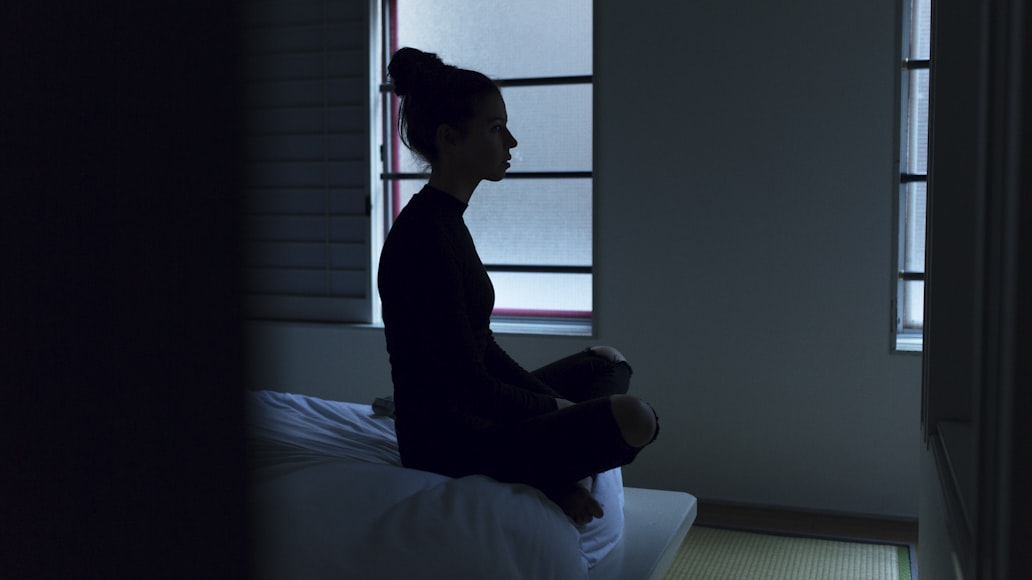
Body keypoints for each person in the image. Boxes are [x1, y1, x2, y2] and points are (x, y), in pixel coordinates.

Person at [377, 47, 658, 525]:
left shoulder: (446, 221)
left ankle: (554, 467)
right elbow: (468, 385)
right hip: (448, 439)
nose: (511, 140)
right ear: (450, 138)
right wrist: (554, 408)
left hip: (477, 410)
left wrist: (553, 405)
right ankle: (554, 477)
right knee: (636, 418)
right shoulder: (423, 239)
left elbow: (484, 349)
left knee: (605, 363)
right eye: (494, 127)